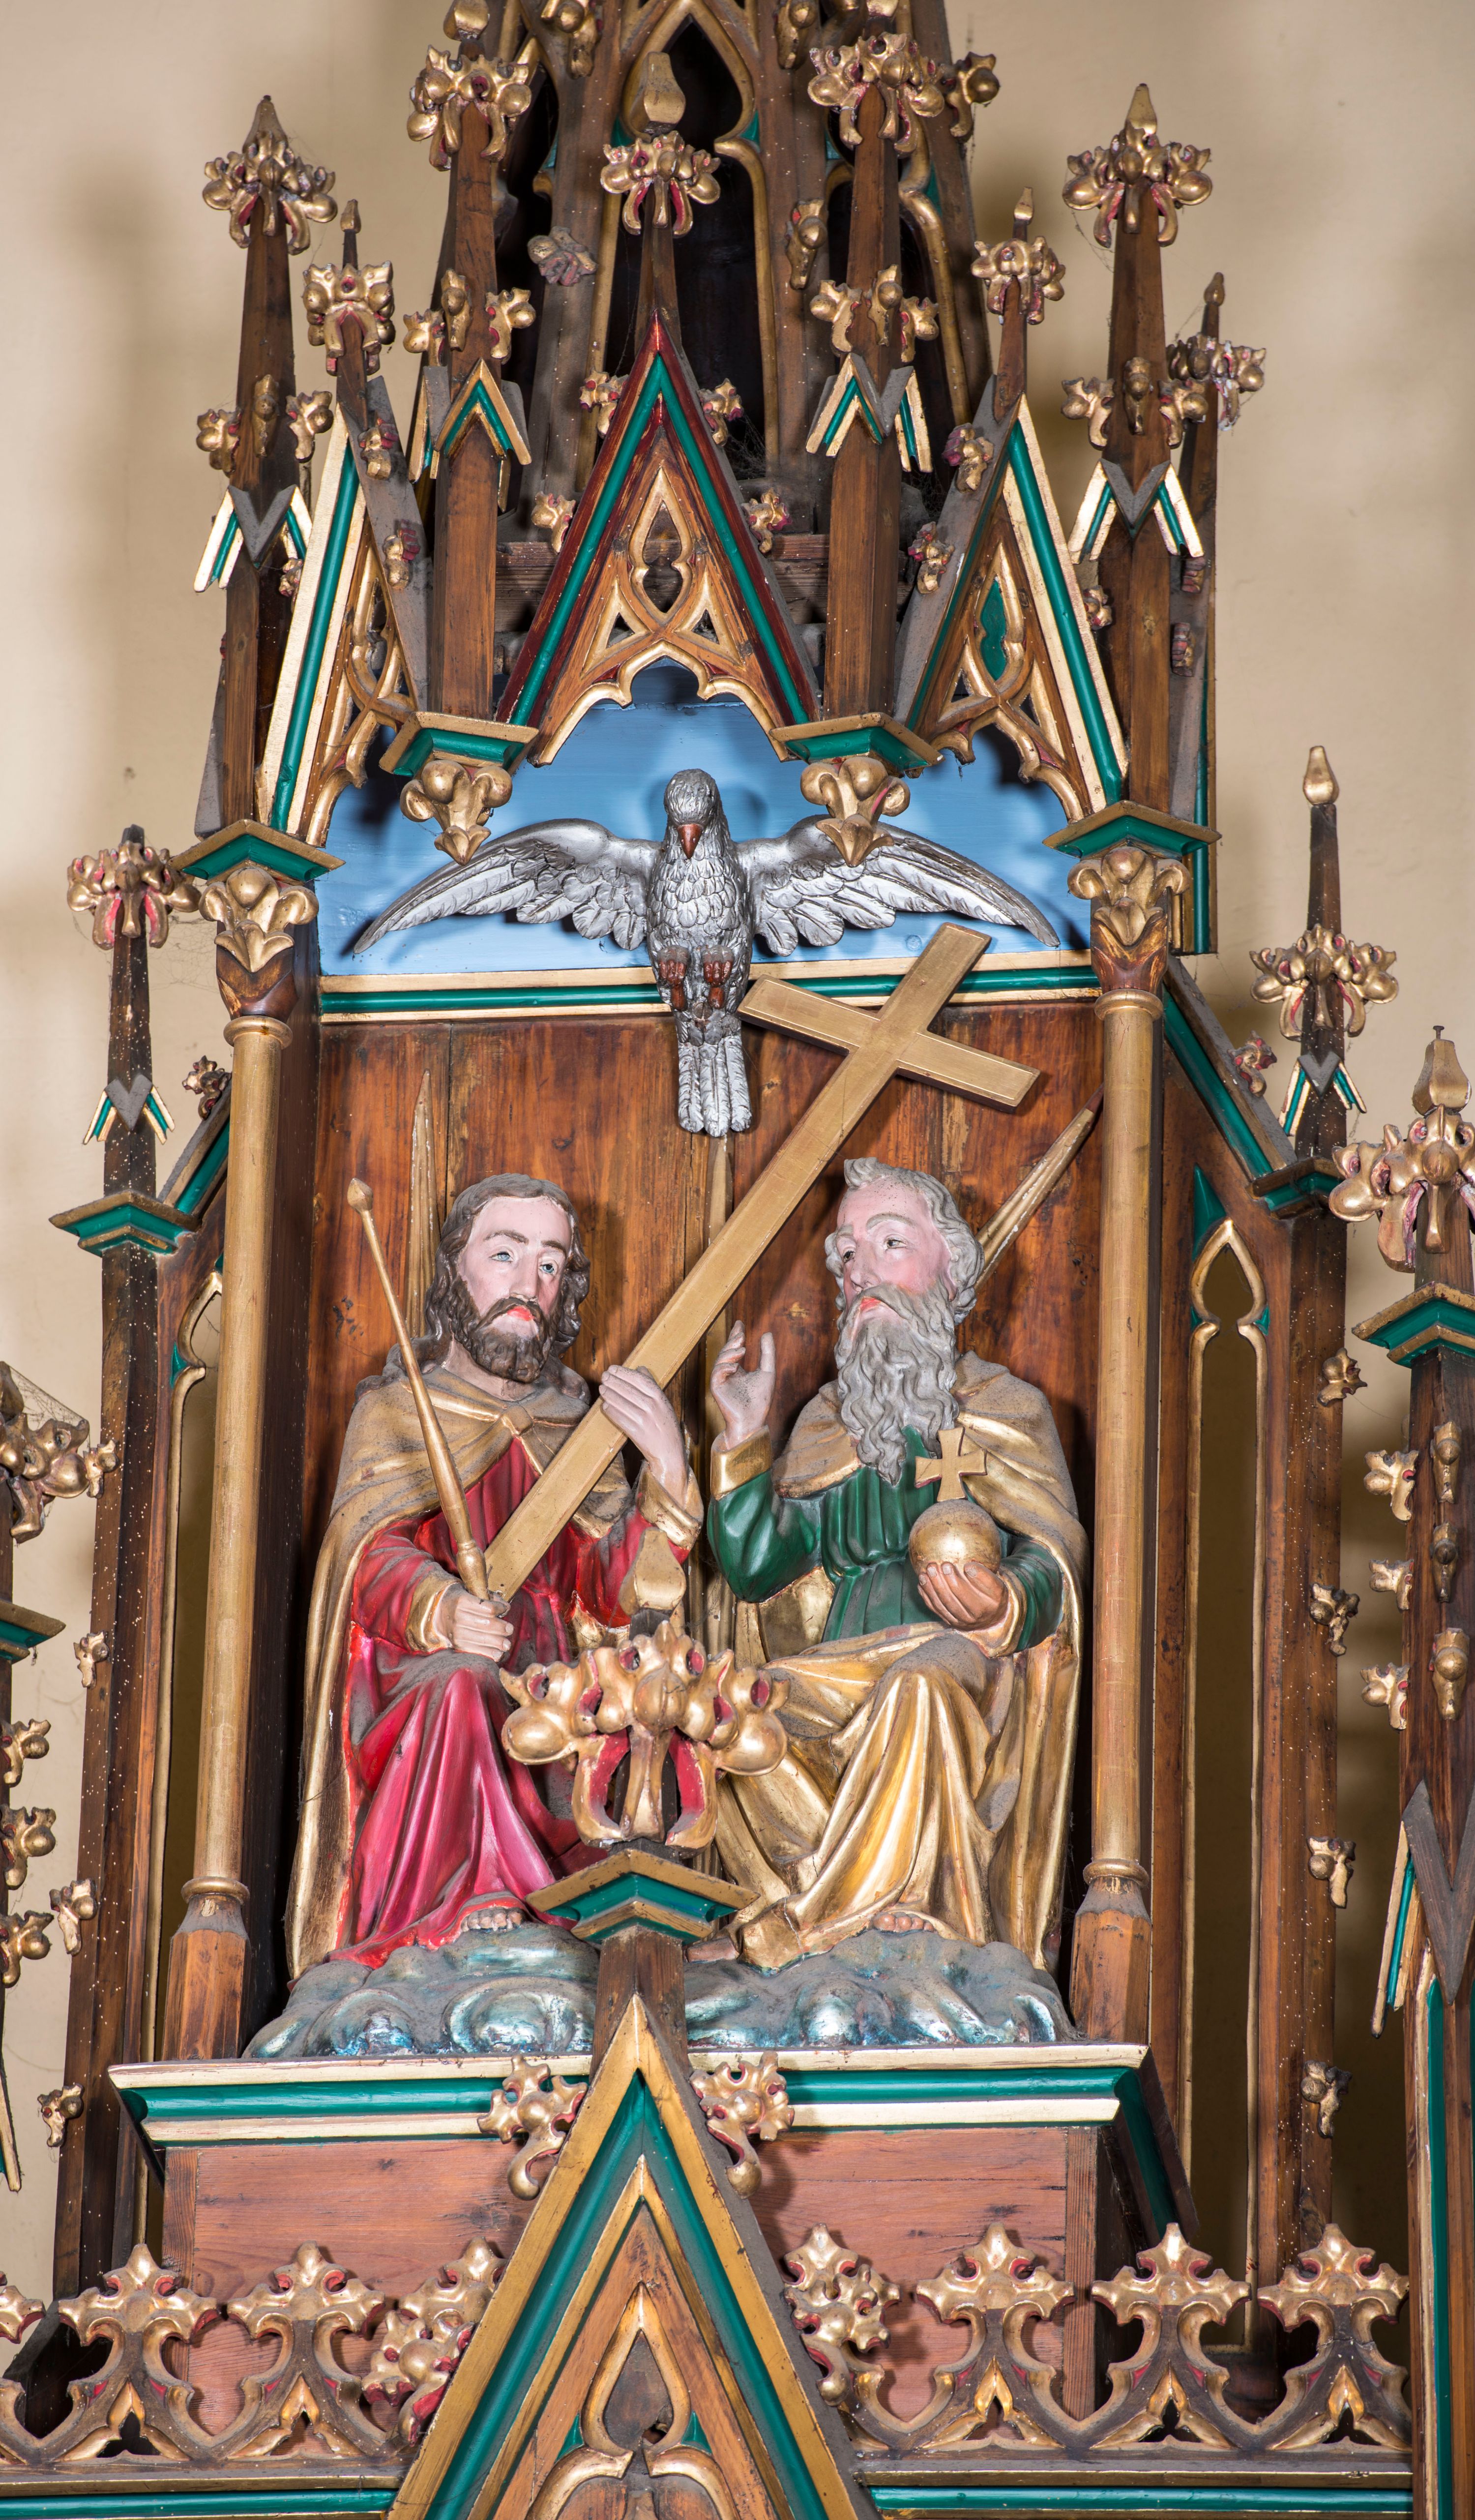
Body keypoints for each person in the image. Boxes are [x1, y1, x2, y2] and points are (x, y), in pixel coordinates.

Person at [285, 1173, 696, 1979]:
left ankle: (588, 1915)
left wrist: (669, 1472)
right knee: (464, 1685)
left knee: (634, 1713)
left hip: (554, 1682)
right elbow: (365, 1556)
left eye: (550, 1265)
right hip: (425, 1672)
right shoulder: (398, 1410)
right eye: (504, 1255)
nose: (527, 1284)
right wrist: (441, 1609)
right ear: (455, 1270)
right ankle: (468, 1899)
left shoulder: (578, 1427)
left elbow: (611, 1591)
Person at [706, 1157, 1086, 1970]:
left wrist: (1004, 1604)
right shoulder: (828, 1421)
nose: (862, 1272)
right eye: (848, 1255)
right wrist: (742, 1443)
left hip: (957, 1657)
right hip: (841, 1656)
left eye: (890, 1243)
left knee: (918, 1690)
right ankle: (803, 1906)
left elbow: (1053, 1558)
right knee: (735, 1713)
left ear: (952, 1268)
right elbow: (757, 1569)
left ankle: (897, 1904)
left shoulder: (1006, 1408)